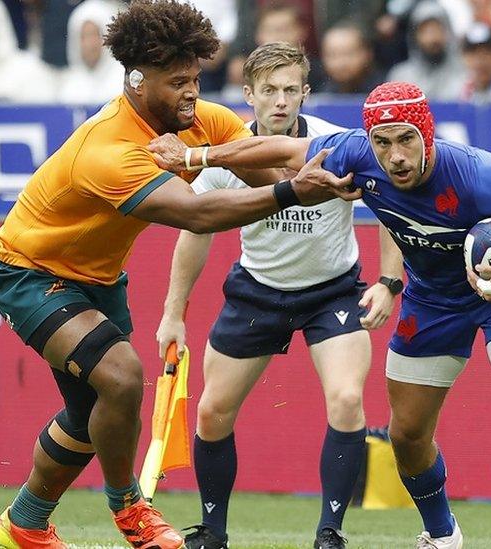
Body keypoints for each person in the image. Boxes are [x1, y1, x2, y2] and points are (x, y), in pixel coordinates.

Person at [147, 80, 491, 549]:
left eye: (406, 140)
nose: (394, 157)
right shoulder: (355, 152)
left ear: (428, 135)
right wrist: (195, 155)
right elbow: (277, 147)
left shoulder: (479, 174)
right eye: (383, 142)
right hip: (433, 301)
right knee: (406, 435)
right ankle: (442, 535)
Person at [0, 1, 354, 548]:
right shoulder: (110, 148)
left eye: (196, 78)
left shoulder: (195, 120)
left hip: (98, 278)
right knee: (122, 377)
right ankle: (132, 510)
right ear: (136, 80)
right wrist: (289, 188)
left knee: (92, 412)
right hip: (30, 271)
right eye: (177, 81)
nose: (191, 92)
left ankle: (24, 523)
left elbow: (264, 162)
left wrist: (349, 158)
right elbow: (197, 213)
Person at [155, 42, 400, 549]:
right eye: (269, 90)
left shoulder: (340, 145)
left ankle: (330, 532)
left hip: (332, 293)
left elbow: (391, 211)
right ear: (249, 94)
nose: (281, 100)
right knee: (211, 413)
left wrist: (387, 282)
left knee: (348, 399)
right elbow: (195, 232)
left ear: (306, 93)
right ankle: (213, 532)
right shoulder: (228, 151)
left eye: (291, 89)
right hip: (258, 293)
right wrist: (172, 314)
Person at [386, 2, 467, 101]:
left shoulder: (466, 73)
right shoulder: (400, 77)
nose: (433, 38)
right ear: (414, 36)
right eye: (426, 31)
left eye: (438, 29)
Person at [58, 0, 124, 104]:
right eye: (84, 36)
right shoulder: (70, 87)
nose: (89, 44)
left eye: (94, 35)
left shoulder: (123, 83)